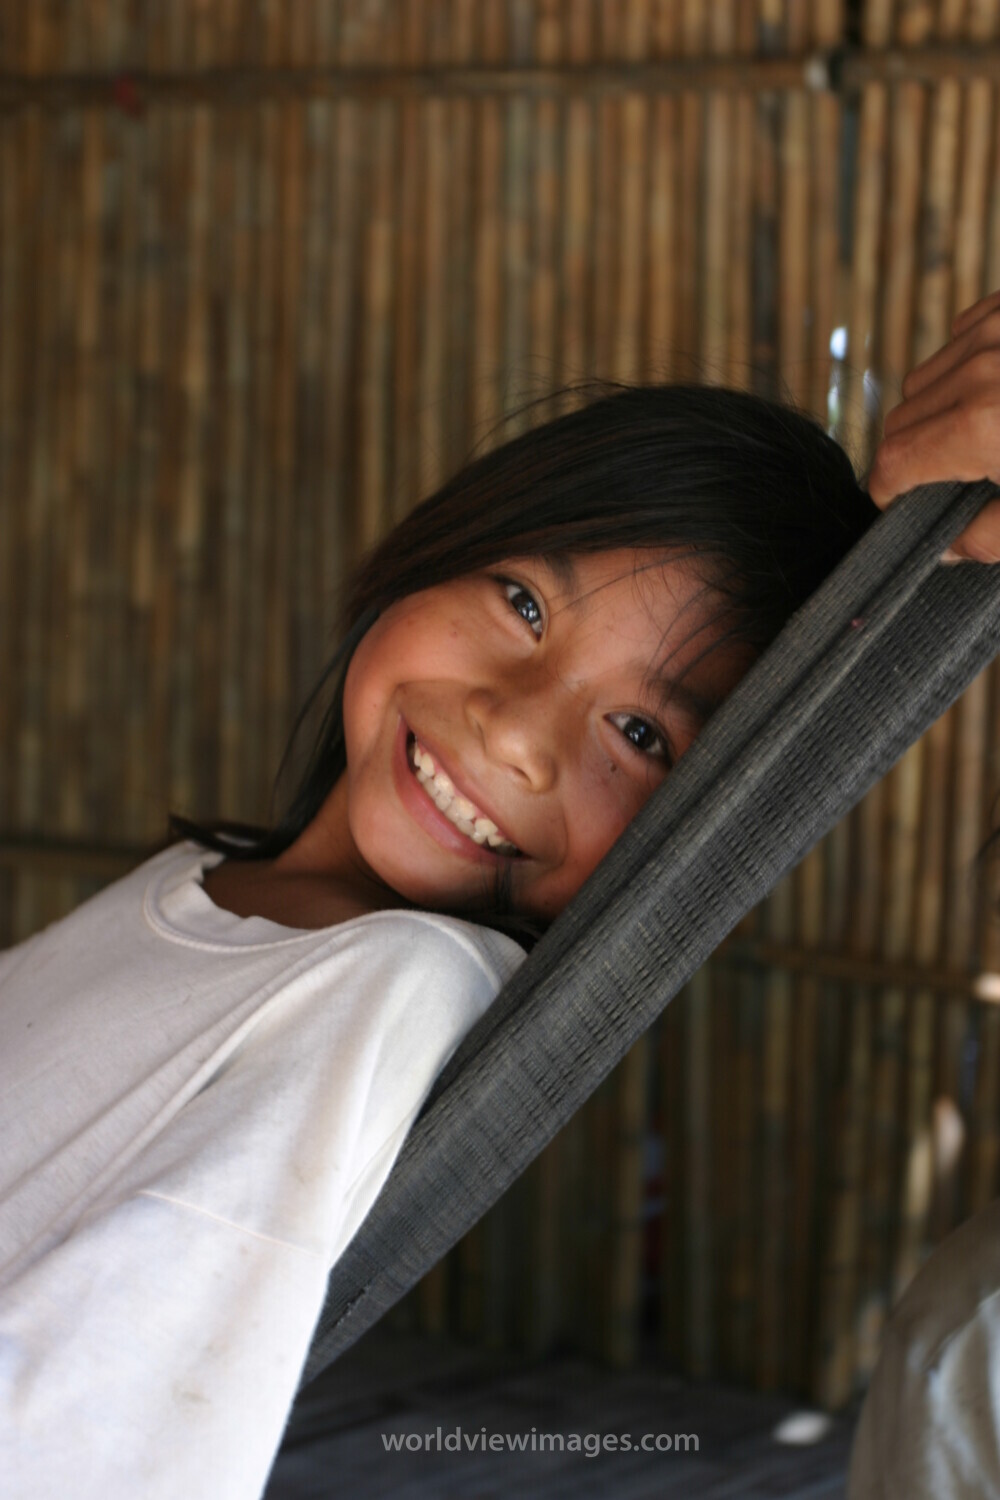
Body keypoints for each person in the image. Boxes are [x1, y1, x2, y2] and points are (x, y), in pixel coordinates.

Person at [2, 290, 1000, 1500]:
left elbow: (112, 1434)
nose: (515, 734)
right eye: (522, 602)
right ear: (442, 542)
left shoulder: (380, 985)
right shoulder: (197, 888)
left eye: (637, 732)